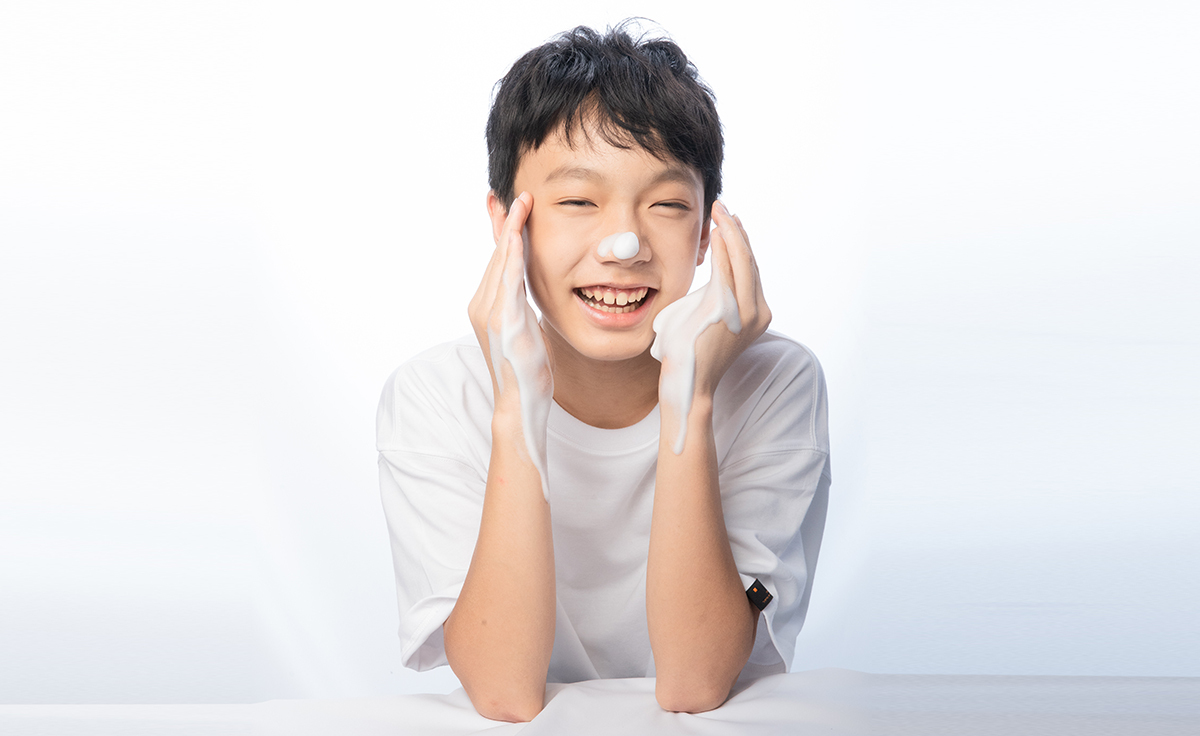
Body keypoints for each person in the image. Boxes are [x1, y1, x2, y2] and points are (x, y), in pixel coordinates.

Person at [376, 22, 830, 722]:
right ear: (506, 222)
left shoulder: (776, 384)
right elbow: (503, 692)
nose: (624, 245)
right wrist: (516, 409)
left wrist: (691, 398)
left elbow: (694, 684)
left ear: (707, 232)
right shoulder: (434, 397)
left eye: (667, 205)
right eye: (578, 201)